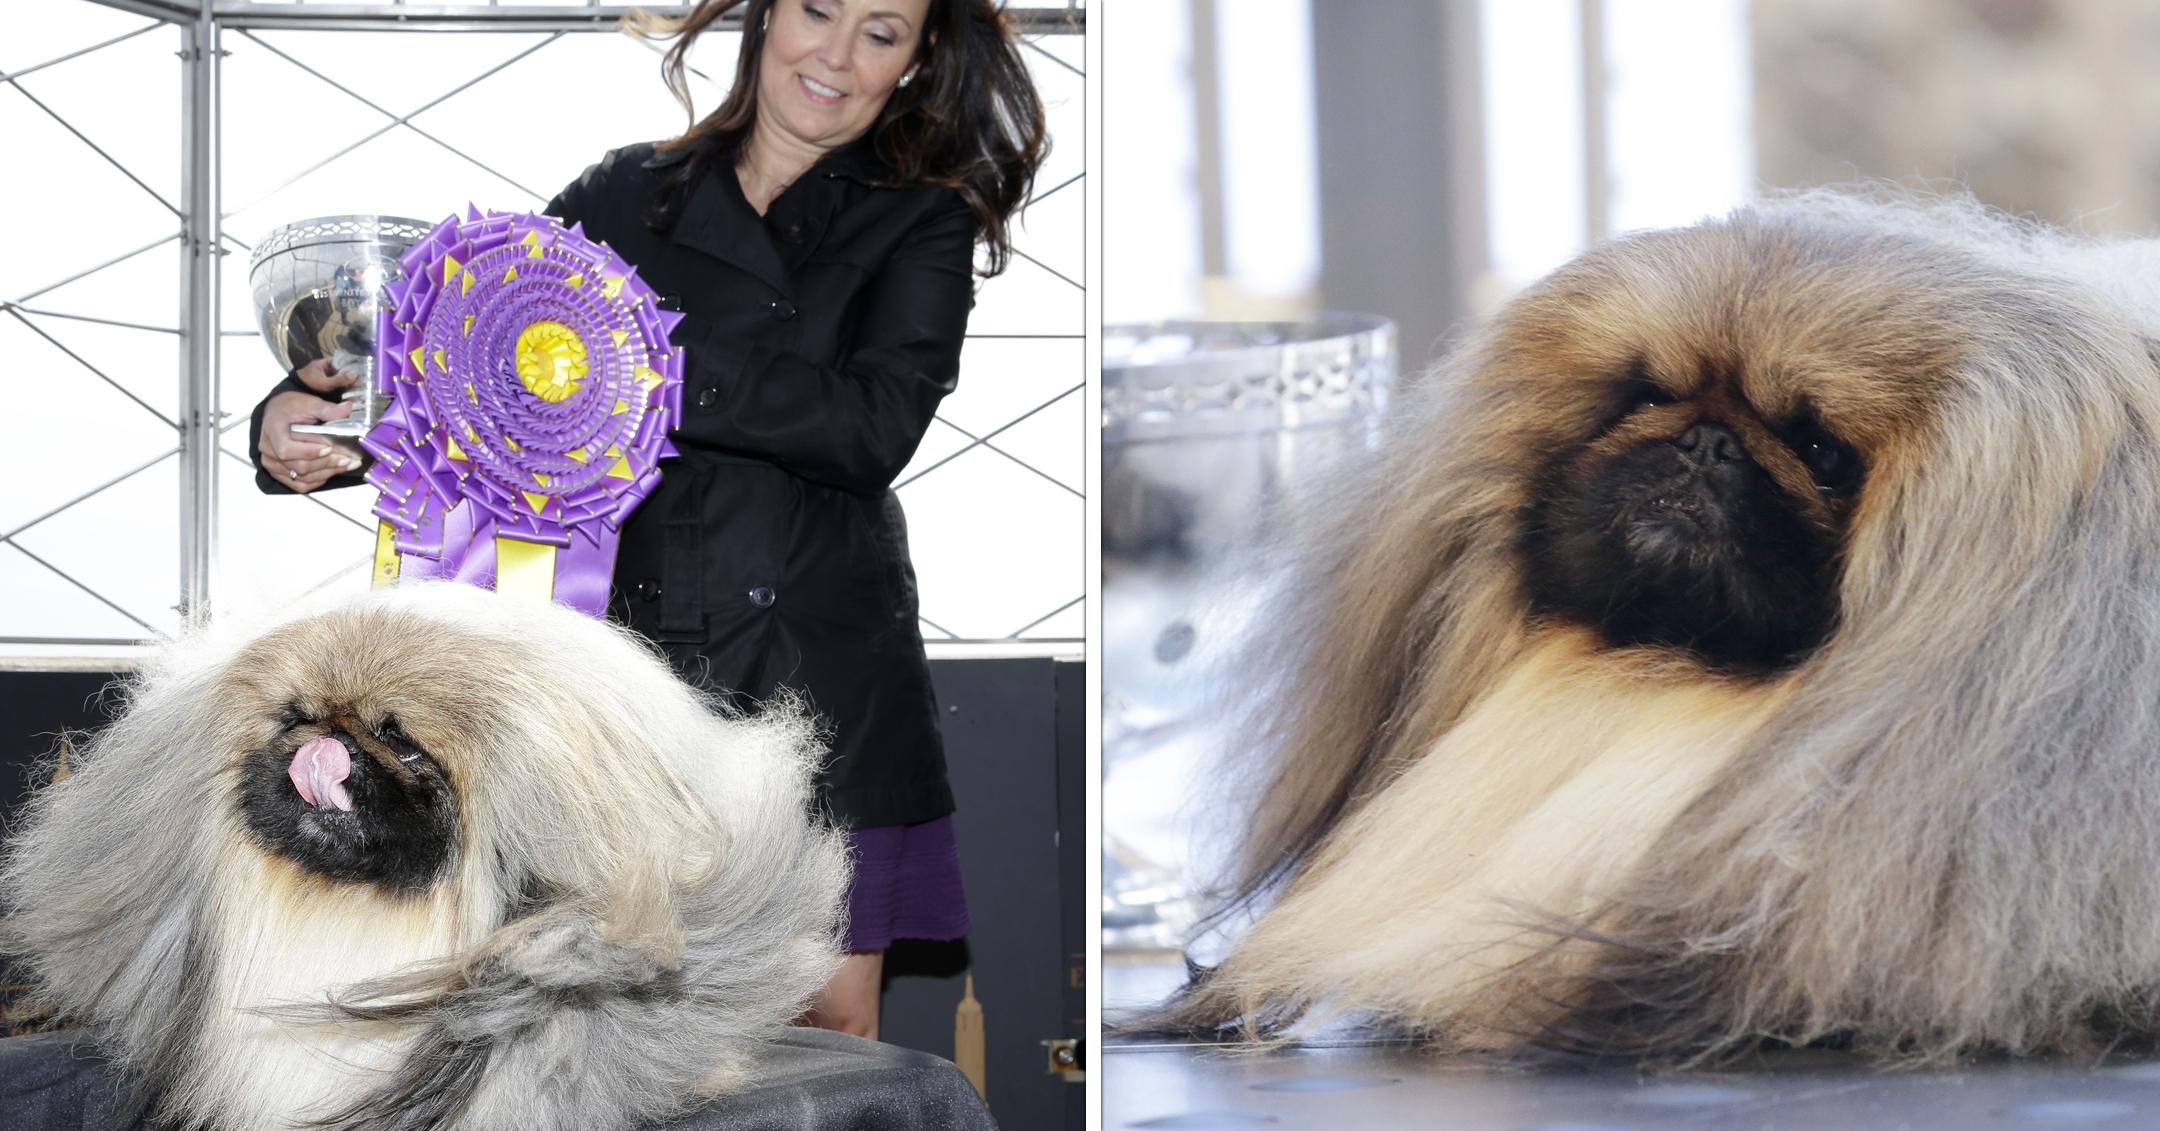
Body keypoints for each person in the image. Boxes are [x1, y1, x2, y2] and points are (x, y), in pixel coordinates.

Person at [250, 0, 1047, 1039]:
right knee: (611, 1030)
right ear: (765, 18)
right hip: (622, 679)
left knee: (829, 1034)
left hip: (822, 679)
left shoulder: (922, 215)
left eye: (882, 32)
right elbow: (482, 370)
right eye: (817, 10)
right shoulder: (619, 194)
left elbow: (872, 428)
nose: (837, 55)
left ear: (917, 61)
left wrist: (637, 364)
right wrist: (323, 423)